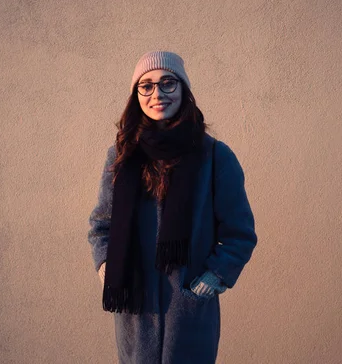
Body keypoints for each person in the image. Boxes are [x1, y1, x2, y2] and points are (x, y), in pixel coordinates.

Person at [87, 51, 257, 363]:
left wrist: (213, 277)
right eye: (146, 86)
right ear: (136, 94)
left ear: (183, 89)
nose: (157, 94)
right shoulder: (121, 157)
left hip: (189, 314)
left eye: (168, 83)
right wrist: (106, 266)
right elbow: (101, 226)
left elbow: (240, 234)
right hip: (135, 313)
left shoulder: (215, 156)